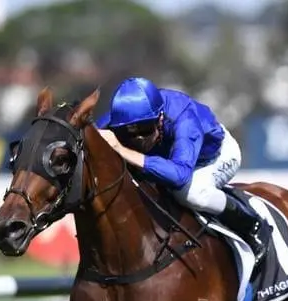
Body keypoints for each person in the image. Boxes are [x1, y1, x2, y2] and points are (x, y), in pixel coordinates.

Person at [95, 77, 269, 265]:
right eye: (127, 133)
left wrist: (122, 149)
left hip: (211, 157)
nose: (138, 139)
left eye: (145, 130)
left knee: (190, 194)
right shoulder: (114, 121)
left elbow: (179, 176)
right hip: (170, 160)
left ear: (160, 117)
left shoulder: (183, 118)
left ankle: (251, 224)